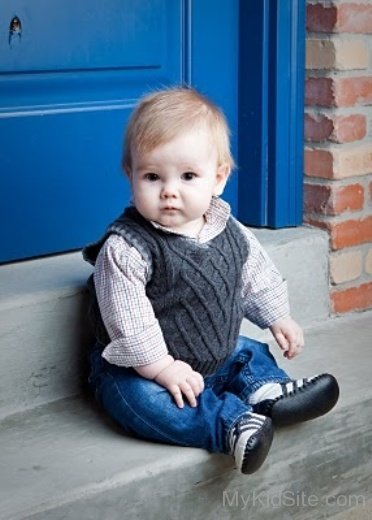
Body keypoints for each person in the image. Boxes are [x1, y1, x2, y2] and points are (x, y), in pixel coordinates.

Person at [83, 87, 339, 475]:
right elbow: (129, 323)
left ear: (218, 179)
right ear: (130, 175)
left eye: (188, 176)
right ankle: (229, 424)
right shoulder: (126, 248)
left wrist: (278, 317)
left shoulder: (229, 230)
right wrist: (162, 368)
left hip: (211, 354)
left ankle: (268, 392)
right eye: (152, 176)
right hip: (142, 366)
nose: (169, 191)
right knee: (137, 399)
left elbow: (256, 277)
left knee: (247, 349)